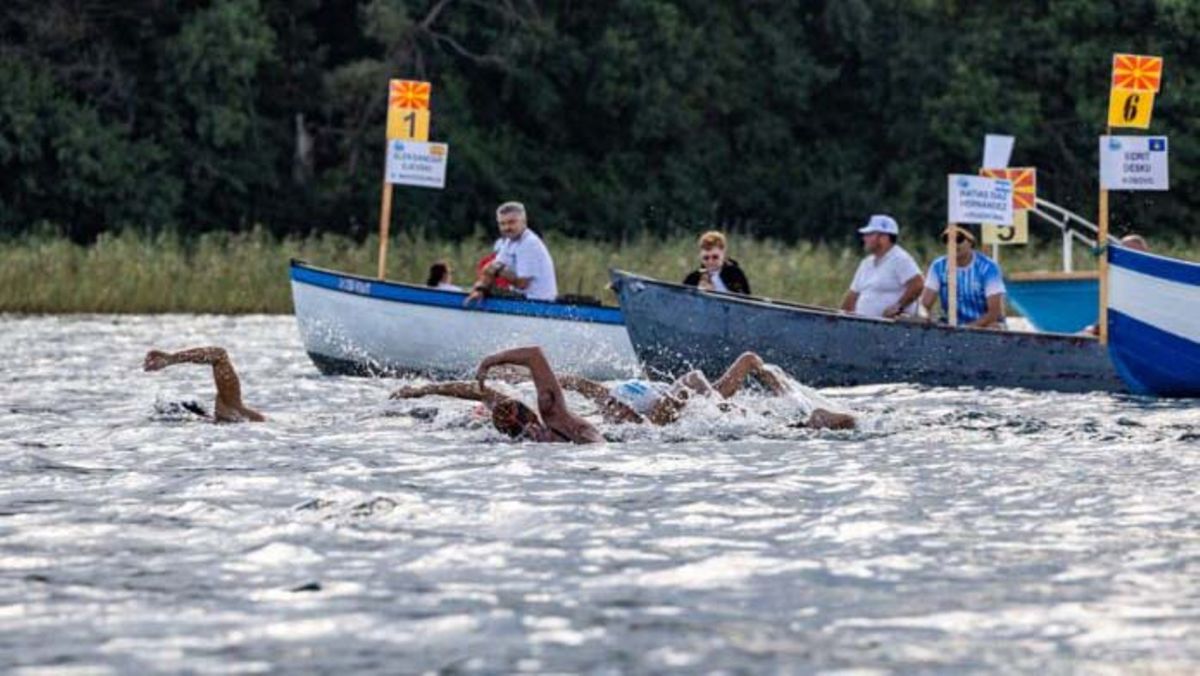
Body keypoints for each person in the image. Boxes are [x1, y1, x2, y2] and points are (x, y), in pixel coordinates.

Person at [392, 350, 855, 432]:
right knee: (704, 387)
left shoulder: (552, 407)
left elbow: (479, 393)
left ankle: (799, 417)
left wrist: (421, 390)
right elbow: (473, 393)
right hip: (658, 405)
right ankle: (799, 418)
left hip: (653, 410)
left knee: (695, 386)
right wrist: (421, 390)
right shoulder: (545, 405)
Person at [392, 346, 602, 443]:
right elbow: (480, 392)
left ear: (533, 417)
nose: (535, 435)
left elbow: (535, 354)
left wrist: (491, 360)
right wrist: (423, 390)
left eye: (535, 432)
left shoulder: (565, 424)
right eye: (527, 435)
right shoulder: (526, 430)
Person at [467, 202, 558, 303]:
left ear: (524, 222)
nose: (507, 228)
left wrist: (498, 270)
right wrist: (481, 289)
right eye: (502, 224)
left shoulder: (529, 243)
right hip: (522, 299)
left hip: (537, 303)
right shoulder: (509, 241)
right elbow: (490, 270)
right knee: (483, 289)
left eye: (511, 222)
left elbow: (522, 284)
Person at [143, 347, 265, 423]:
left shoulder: (232, 410)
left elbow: (219, 355)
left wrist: (171, 359)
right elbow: (219, 355)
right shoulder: (233, 409)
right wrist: (170, 359)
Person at [920, 226, 1006, 328]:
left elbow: (994, 313)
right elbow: (924, 304)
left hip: (984, 326)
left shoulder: (988, 267)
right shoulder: (938, 266)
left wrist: (966, 329)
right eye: (947, 240)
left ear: (971, 241)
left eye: (958, 239)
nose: (953, 244)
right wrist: (924, 317)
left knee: (994, 326)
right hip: (950, 326)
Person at [840, 215, 924, 319]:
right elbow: (853, 295)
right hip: (864, 326)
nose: (864, 238)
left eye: (870, 234)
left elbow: (917, 284)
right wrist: (840, 317)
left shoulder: (900, 259)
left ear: (884, 238)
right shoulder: (866, 263)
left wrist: (898, 307)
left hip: (889, 328)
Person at [682, 231, 751, 294]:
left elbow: (746, 300)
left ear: (723, 254)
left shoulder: (734, 274)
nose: (710, 262)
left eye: (715, 257)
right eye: (706, 258)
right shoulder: (693, 278)